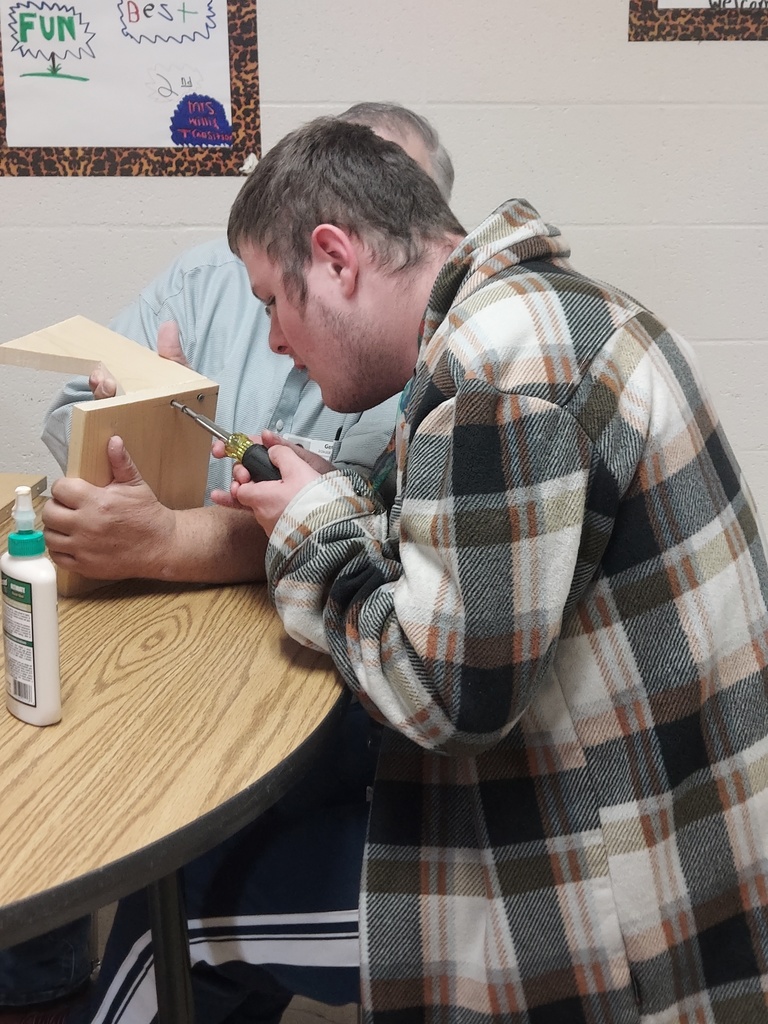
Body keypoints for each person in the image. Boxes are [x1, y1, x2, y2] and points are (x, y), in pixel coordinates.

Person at [202, 119, 766, 1023]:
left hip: (620, 893)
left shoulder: (502, 370)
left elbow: (442, 695)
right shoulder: (549, 309)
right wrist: (339, 498)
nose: (273, 340)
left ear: (336, 259)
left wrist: (311, 526)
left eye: (272, 301)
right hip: (677, 825)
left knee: (180, 916)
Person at [0, 105, 455, 1024]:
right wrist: (136, 425)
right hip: (177, 632)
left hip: (395, 765)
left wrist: (186, 533)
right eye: (264, 309)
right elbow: (71, 422)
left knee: (178, 892)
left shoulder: (449, 364)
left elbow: (378, 554)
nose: (274, 336)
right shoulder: (215, 272)